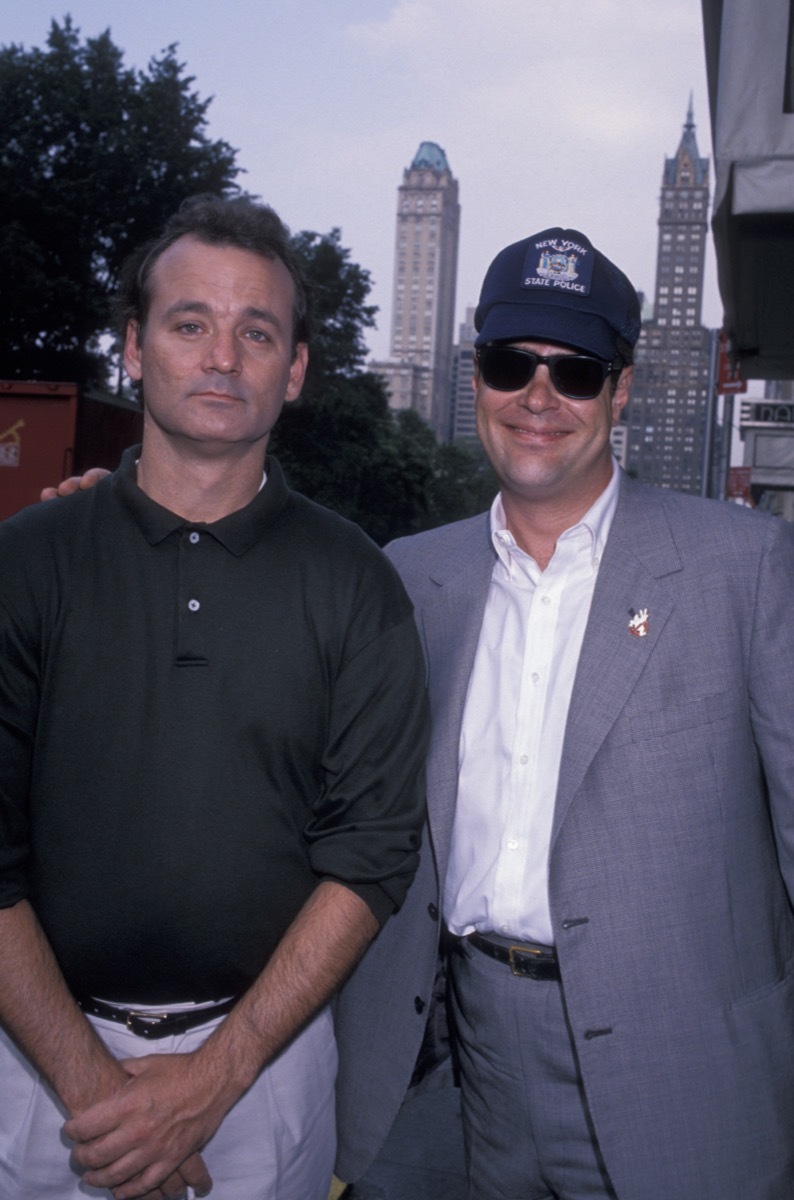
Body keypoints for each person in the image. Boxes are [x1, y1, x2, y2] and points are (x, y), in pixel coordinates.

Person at [343, 226, 794, 1199]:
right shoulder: (409, 577)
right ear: (476, 377)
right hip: (470, 1058)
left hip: (686, 1069)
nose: (538, 398)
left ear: (619, 389)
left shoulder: (743, 566)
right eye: (513, 364)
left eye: (575, 372)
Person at [0, 194, 428, 1200]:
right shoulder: (24, 565)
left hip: (262, 1075)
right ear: (134, 350)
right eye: (190, 324)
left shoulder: (356, 582)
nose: (222, 357)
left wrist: (207, 1085)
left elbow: (370, 852)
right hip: (33, 1066)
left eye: (257, 332)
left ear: (296, 369)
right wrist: (99, 1091)